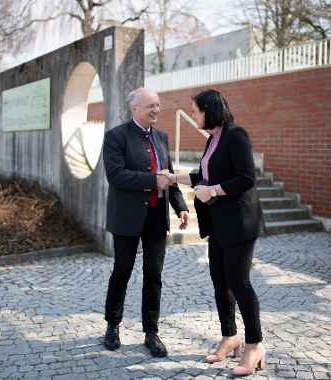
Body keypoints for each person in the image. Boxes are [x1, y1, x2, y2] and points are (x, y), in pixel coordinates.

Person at [160, 89, 265, 376]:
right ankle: (230, 337)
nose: (193, 116)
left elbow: (246, 178)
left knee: (239, 282)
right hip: (219, 224)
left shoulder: (235, 135)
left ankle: (254, 346)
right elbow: (204, 176)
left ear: (210, 109)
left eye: (195, 111)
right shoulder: (214, 139)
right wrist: (174, 178)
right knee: (220, 282)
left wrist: (213, 191)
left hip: (240, 223)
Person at [102, 87, 189, 358]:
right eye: (151, 105)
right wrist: (153, 180)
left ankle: (151, 332)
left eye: (158, 105)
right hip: (127, 218)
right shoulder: (116, 137)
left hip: (155, 218)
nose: (156, 110)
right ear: (135, 108)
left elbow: (169, 177)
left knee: (154, 276)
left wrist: (180, 206)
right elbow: (116, 175)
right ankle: (112, 325)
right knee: (122, 272)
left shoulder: (161, 138)